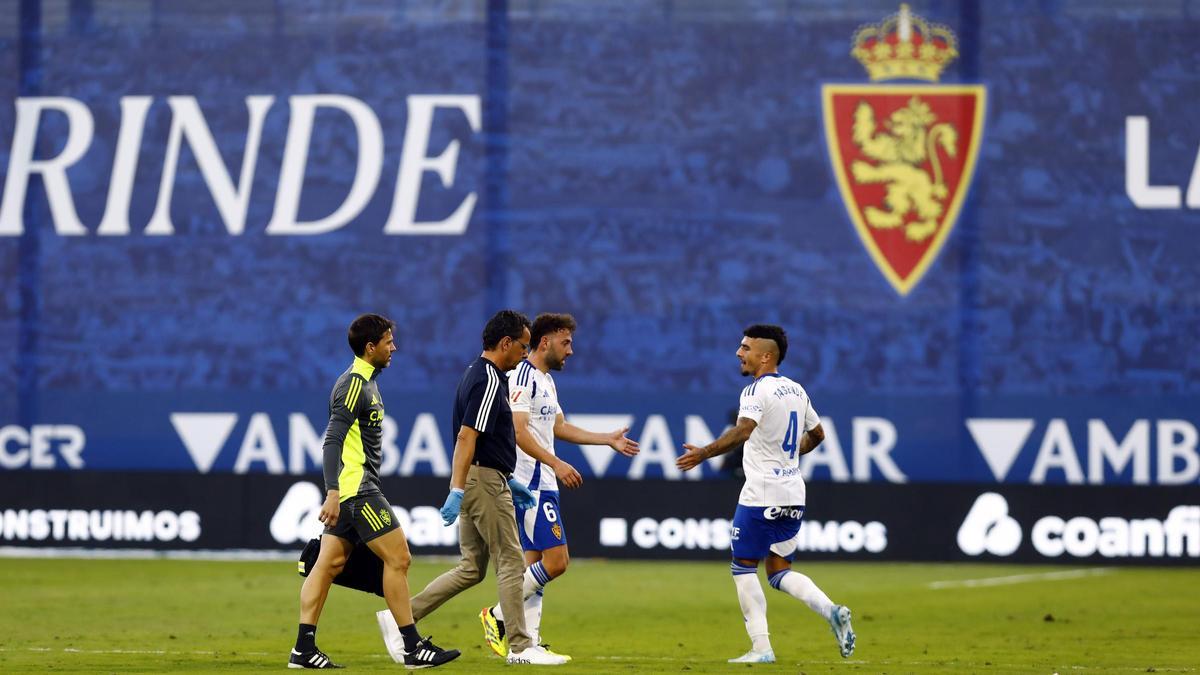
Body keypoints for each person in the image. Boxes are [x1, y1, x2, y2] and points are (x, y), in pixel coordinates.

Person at [676, 324, 856, 664]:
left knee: (743, 567)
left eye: (745, 348)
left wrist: (704, 453)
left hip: (761, 491)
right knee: (778, 570)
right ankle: (831, 610)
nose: (738, 353)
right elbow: (818, 435)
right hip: (793, 491)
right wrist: (787, 456)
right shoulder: (797, 390)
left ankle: (761, 649)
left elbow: (743, 431)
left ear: (765, 356)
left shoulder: (755, 391)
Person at [290, 314, 460, 669]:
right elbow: (332, 440)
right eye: (388, 341)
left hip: (352, 488)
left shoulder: (366, 383)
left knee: (327, 564)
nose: (393, 347)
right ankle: (411, 646)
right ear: (371, 347)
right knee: (399, 558)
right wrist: (332, 492)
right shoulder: (354, 385)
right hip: (357, 490)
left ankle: (303, 649)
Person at [407, 310, 569, 666]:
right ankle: (521, 647)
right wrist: (458, 488)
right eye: (522, 347)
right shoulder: (490, 380)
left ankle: (401, 618)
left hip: (487, 476)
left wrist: (507, 478)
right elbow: (467, 437)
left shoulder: (475, 373)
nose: (524, 355)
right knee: (511, 562)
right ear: (505, 343)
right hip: (483, 481)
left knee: (471, 568)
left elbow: (484, 439)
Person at [478, 313, 640, 659]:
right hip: (530, 483)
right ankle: (498, 614)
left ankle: (527, 645)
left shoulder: (546, 381)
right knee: (557, 562)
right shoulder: (522, 376)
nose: (570, 350)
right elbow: (518, 431)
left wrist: (606, 439)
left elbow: (559, 426)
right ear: (545, 341)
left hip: (544, 482)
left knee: (535, 564)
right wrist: (556, 462)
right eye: (565, 342)